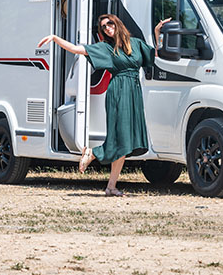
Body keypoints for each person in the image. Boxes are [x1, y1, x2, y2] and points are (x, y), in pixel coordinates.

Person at [38, 14, 171, 196]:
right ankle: (93, 153)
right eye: (103, 27)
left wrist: (158, 32)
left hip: (133, 92)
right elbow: (77, 49)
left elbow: (156, 53)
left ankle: (111, 187)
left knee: (126, 141)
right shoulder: (106, 48)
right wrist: (55, 38)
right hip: (118, 92)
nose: (108, 28)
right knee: (121, 138)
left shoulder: (136, 43)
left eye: (110, 24)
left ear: (117, 23)